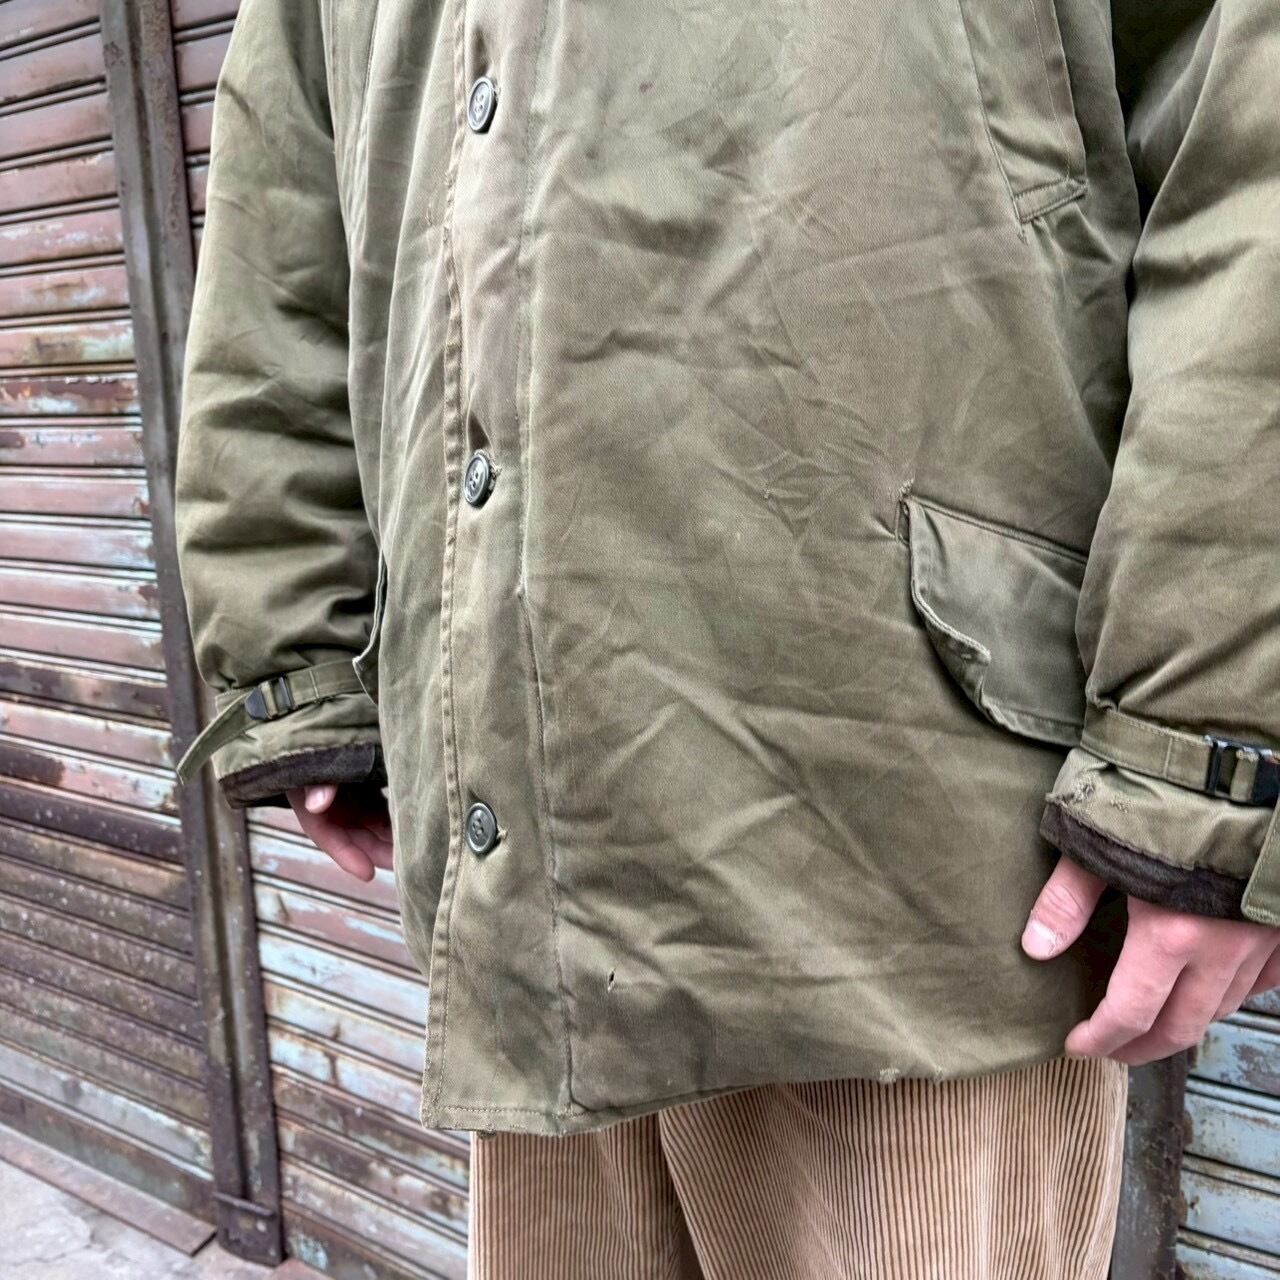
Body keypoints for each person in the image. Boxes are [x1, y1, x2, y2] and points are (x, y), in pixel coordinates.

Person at [172, 0, 1280, 1274]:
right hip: (530, 850)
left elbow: (1247, 155)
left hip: (918, 858)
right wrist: (297, 645)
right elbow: (282, 204)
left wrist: (1210, 746)